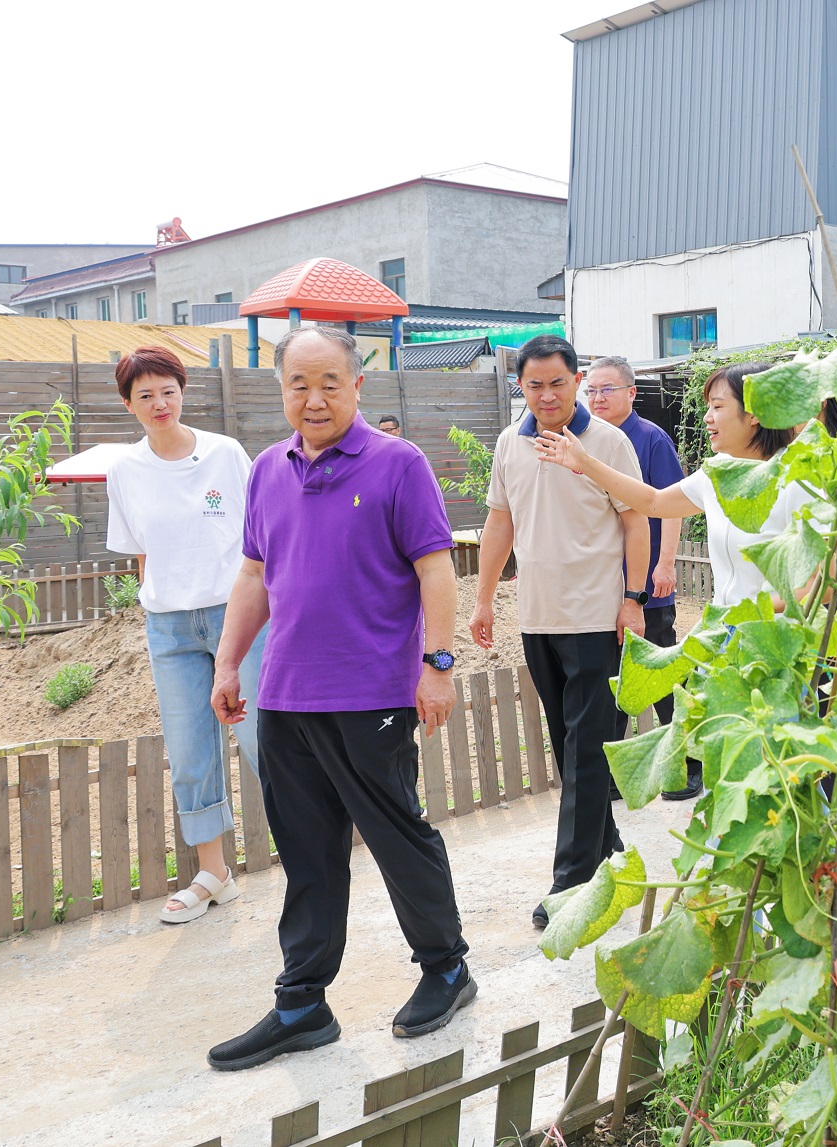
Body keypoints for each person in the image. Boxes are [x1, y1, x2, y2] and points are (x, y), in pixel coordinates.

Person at [205, 327, 474, 1072]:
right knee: (307, 852)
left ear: (358, 385)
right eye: (299, 383)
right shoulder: (267, 468)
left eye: (329, 382)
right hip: (286, 694)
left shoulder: (398, 464)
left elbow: (435, 568)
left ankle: (446, 967)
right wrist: (229, 662)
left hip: (373, 692)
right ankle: (302, 1002)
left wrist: (438, 664)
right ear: (281, 389)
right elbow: (255, 576)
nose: (314, 397)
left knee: (396, 834)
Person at [469, 335, 651, 931]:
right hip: (538, 616)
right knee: (569, 744)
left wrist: (634, 598)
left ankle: (570, 884)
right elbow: (501, 522)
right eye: (534, 384)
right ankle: (612, 853)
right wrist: (484, 599)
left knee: (586, 746)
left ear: (577, 382)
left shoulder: (608, 442)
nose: (546, 394)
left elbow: (636, 520)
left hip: (597, 616)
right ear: (520, 387)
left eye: (557, 382)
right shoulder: (507, 442)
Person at [105, 345, 266, 926]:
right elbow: (142, 554)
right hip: (169, 626)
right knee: (190, 750)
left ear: (183, 391)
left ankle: (308, 859)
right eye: (144, 395)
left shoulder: (226, 454)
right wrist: (160, 605)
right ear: (129, 405)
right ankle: (213, 874)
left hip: (237, 616)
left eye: (167, 390)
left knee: (262, 739)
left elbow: (260, 536)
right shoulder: (124, 470)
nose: (159, 403)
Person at [534, 361, 810, 610]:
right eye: (708, 407)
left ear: (755, 414)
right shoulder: (718, 472)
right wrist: (585, 462)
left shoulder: (801, 478)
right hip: (732, 635)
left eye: (718, 406)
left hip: (786, 643)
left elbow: (820, 584)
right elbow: (654, 503)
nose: (707, 417)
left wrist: (748, 614)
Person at [583, 356, 699, 800]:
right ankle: (613, 775)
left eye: (607, 389)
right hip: (601, 587)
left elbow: (671, 505)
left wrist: (664, 564)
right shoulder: (583, 440)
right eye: (591, 390)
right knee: (611, 682)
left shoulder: (650, 438)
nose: (597, 398)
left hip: (645, 586)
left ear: (631, 393)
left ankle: (687, 766)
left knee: (665, 678)